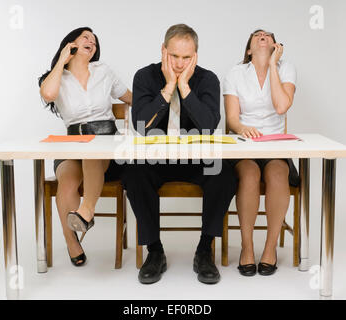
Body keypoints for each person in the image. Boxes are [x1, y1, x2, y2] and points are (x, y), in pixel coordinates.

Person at [122, 24, 238, 284]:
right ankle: (154, 251)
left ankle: (204, 250)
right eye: (174, 56)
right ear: (163, 51)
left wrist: (184, 86)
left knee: (225, 173)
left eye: (187, 57)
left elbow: (209, 126)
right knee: (133, 172)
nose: (179, 63)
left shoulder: (208, 79)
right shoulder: (144, 77)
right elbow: (142, 125)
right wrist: (168, 88)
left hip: (195, 159)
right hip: (156, 159)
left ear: (195, 55)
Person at [38, 27, 132, 267]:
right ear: (70, 44)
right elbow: (48, 94)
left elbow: (131, 98)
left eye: (94, 40)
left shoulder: (104, 71)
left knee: (93, 151)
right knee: (67, 181)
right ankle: (72, 242)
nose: (92, 41)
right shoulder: (56, 76)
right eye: (85, 37)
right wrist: (62, 60)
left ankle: (86, 211)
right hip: (72, 143)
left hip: (106, 142)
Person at [223, 29, 299, 276]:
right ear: (248, 49)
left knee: (278, 175)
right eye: (257, 35)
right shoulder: (235, 73)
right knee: (250, 175)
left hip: (276, 146)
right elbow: (232, 119)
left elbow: (281, 106)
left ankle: (269, 248)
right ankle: (247, 247)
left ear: (276, 45)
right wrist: (243, 128)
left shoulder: (286, 68)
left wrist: (273, 65)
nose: (263, 36)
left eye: (268, 35)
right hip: (245, 145)